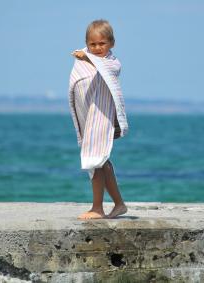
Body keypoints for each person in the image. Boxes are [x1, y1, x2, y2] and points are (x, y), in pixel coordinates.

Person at [68, 19, 129, 220]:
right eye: (92, 44)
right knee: (102, 161)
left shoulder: (112, 63)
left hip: (102, 117)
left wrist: (87, 57)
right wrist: (85, 58)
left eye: (102, 43)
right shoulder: (83, 60)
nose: (97, 48)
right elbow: (78, 84)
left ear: (112, 43)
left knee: (95, 160)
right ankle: (119, 204)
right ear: (87, 43)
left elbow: (106, 70)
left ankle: (97, 208)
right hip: (89, 117)